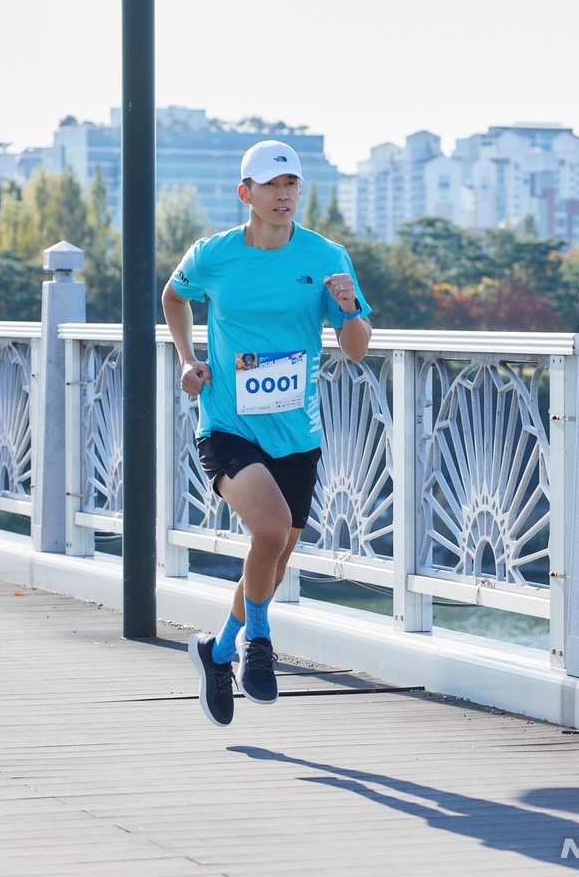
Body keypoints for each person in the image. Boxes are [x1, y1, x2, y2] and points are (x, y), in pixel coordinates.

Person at [162, 139, 372, 726]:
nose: (284, 196)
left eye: (292, 186)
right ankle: (259, 644)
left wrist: (351, 308)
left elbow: (356, 352)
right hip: (228, 425)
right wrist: (188, 358)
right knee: (273, 530)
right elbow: (173, 297)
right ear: (245, 193)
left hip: (296, 432)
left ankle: (218, 650)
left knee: (275, 557)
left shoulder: (327, 255)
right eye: (272, 185)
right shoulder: (214, 255)